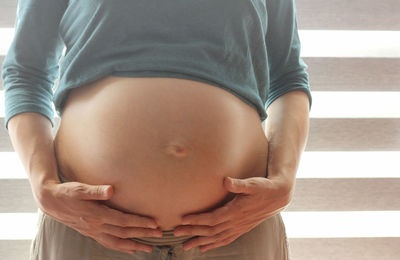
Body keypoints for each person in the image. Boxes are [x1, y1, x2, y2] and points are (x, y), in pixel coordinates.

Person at [2, 0, 312, 259]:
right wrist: (43, 185)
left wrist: (283, 180)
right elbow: (26, 72)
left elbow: (286, 77)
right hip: (91, 230)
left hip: (235, 230)